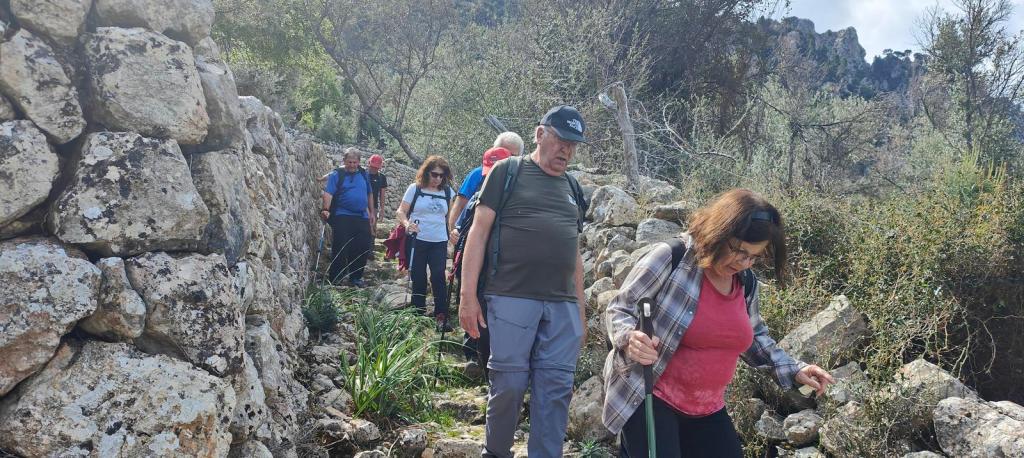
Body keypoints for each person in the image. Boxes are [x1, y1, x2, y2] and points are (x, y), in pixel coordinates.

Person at [602, 188, 835, 458]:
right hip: (650, 396)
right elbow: (620, 307)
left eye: (754, 256)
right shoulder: (673, 257)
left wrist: (795, 368)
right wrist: (629, 338)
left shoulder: (745, 283)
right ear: (719, 233)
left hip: (706, 408)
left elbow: (756, 338)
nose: (744, 263)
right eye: (739, 251)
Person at [459, 105, 589, 458]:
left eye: (573, 144)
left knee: (555, 390)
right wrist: (467, 296)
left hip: (562, 306)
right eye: (561, 140)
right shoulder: (508, 171)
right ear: (540, 134)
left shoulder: (573, 188)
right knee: (510, 385)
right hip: (510, 295)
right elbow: (478, 233)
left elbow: (573, 253)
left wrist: (581, 312)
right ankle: (496, 452)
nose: (566, 150)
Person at [395, 155, 455, 326]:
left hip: (439, 241)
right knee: (418, 275)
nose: (437, 178)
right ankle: (417, 312)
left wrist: (453, 232)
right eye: (434, 174)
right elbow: (401, 211)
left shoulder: (448, 192)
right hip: (417, 239)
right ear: (426, 172)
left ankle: (441, 315)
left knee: (438, 276)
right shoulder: (415, 189)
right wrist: (407, 224)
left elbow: (450, 217)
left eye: (441, 175)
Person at [448, 132, 525, 241]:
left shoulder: (523, 179)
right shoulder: (478, 174)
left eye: (512, 155)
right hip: (474, 238)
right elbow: (459, 205)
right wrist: (455, 234)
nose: (505, 158)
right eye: (501, 151)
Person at [320, 148, 376, 287]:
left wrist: (372, 212)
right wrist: (326, 209)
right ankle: (336, 277)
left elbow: (369, 193)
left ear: (359, 162)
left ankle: (356, 277)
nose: (352, 165)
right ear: (344, 161)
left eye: (355, 162)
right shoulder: (337, 175)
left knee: (363, 246)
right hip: (342, 214)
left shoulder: (363, 174)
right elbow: (328, 193)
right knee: (341, 246)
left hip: (362, 215)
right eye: (349, 162)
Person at [367, 154, 388, 228]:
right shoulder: (362, 174)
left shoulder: (382, 177)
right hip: (361, 205)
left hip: (374, 207)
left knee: (372, 229)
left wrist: (382, 210)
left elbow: (382, 195)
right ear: (368, 164)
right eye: (372, 167)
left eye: (376, 168)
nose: (374, 169)